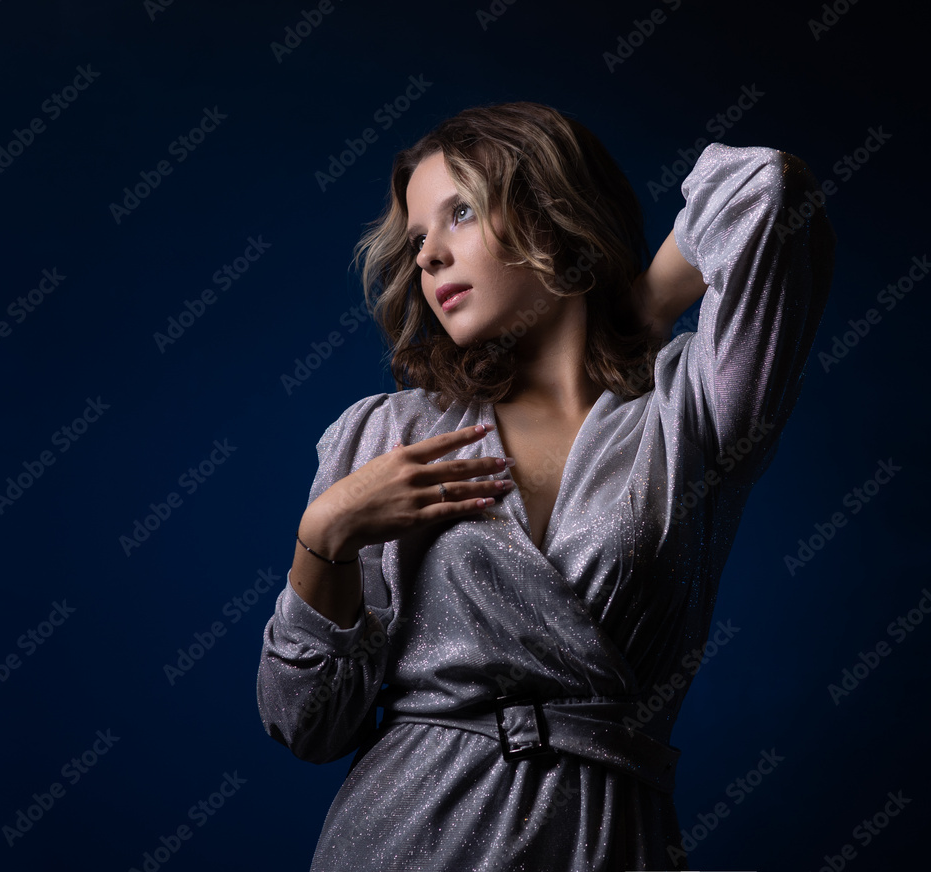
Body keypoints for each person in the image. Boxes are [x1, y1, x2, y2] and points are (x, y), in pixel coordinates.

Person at [257, 102, 836, 870]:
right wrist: (323, 536)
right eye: (418, 237)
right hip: (404, 835)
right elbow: (306, 725)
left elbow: (767, 192)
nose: (428, 257)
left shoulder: (686, 414)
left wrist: (638, 307)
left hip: (608, 839)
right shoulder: (383, 434)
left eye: (459, 212)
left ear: (551, 213)